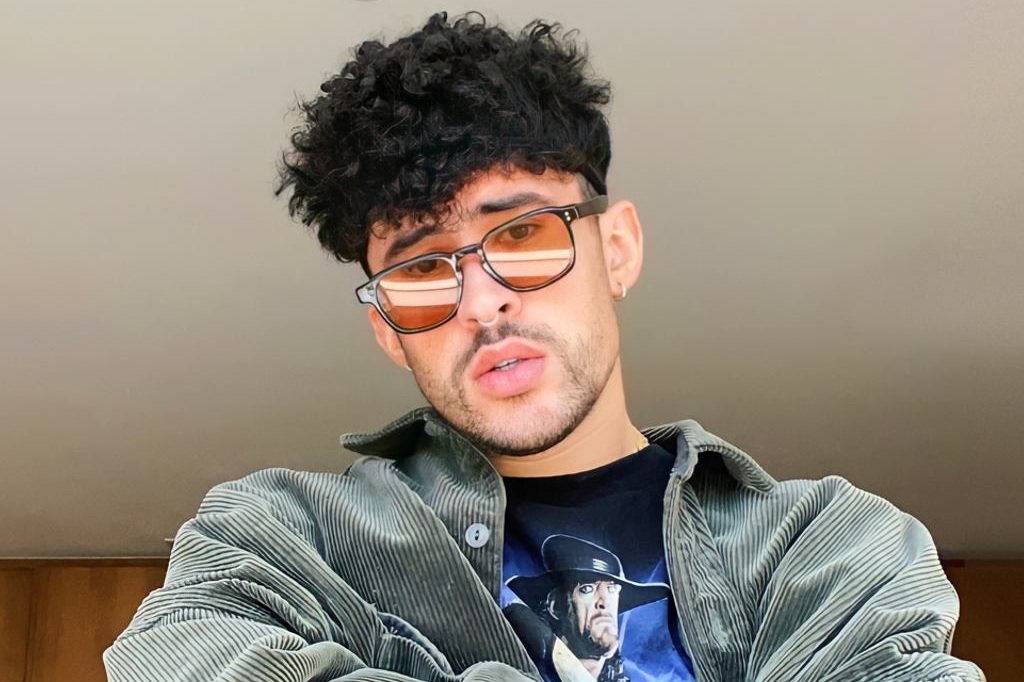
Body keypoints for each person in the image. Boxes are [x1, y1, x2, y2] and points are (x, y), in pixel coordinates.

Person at [105, 11, 984, 682]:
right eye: (423, 268)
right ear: (386, 326)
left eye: (522, 235)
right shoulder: (279, 540)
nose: (482, 302)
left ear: (617, 248)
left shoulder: (827, 546)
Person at [506, 535, 671, 682]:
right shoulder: (524, 668)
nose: (603, 602)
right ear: (556, 606)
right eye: (587, 589)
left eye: (612, 589)